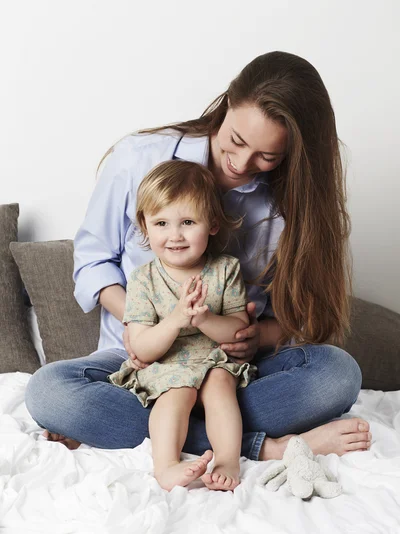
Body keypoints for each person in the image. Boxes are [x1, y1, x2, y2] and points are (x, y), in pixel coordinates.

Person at [25, 50, 371, 472]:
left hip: (229, 371)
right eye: (238, 141)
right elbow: (93, 263)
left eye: (268, 157)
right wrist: (143, 324)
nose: (242, 164)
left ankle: (150, 430)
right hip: (140, 367)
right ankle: (260, 446)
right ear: (227, 104)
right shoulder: (138, 158)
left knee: (338, 373)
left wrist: (255, 338)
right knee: (48, 392)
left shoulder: (289, 202)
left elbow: (298, 316)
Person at [108, 160, 256, 491]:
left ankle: (228, 459)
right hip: (168, 362)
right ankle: (167, 466)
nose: (175, 235)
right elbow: (143, 348)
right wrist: (177, 319)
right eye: (161, 223)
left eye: (188, 222)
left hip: (215, 357)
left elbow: (237, 330)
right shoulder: (143, 279)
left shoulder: (225, 270)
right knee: (177, 393)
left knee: (220, 386)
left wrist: (204, 318)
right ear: (145, 227)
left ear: (213, 224)